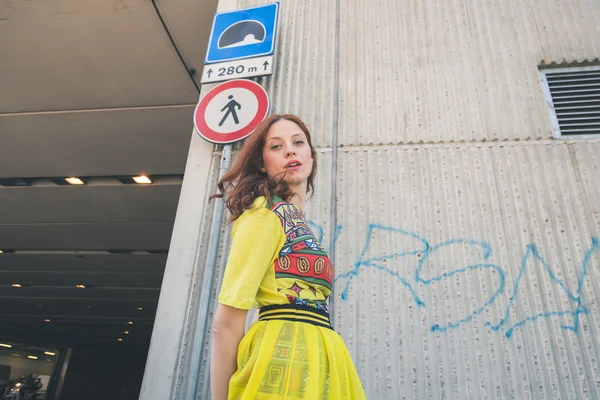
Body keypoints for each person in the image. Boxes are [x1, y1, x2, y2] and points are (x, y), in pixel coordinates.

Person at [210, 114, 366, 399]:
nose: (290, 150)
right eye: (276, 146)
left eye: (298, 142)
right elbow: (227, 322)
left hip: (319, 359)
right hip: (280, 361)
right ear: (262, 162)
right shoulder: (264, 214)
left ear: (311, 156)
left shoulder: (295, 219)